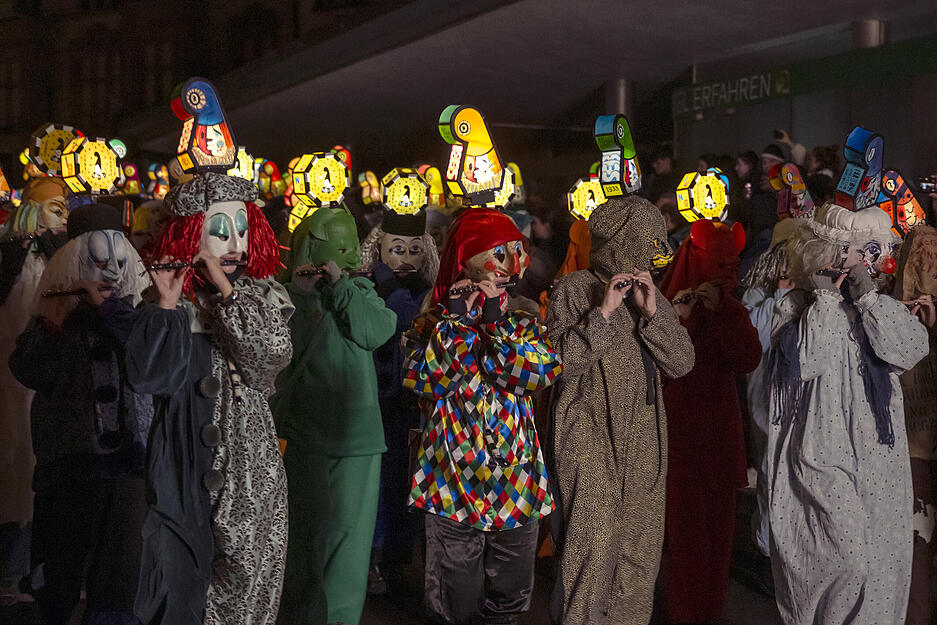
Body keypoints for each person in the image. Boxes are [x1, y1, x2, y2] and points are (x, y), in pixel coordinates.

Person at [128, 172, 292, 625]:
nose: (234, 242)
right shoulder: (164, 299)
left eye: (242, 228)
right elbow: (149, 379)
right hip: (183, 460)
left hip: (250, 459)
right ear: (191, 233)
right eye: (219, 232)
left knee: (247, 569)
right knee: (182, 574)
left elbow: (271, 359)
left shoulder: (259, 296)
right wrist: (165, 308)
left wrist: (227, 292)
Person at [767, 203, 928, 625]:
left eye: (872, 252)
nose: (864, 261)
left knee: (878, 564)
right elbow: (806, 361)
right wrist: (823, 299)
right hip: (821, 447)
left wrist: (870, 301)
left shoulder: (879, 305)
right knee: (842, 559)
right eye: (856, 250)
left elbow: (909, 350)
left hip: (878, 454)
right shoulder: (798, 307)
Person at [403, 207, 562, 625]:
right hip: (450, 480)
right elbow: (426, 382)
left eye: (517, 251)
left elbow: (535, 374)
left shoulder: (525, 315)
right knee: (456, 596)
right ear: (466, 259)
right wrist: (455, 324)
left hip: (516, 480)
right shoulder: (433, 321)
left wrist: (495, 326)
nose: (512, 264)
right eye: (499, 253)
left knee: (510, 597)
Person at [546, 195, 694, 625]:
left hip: (645, 435)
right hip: (587, 428)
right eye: (646, 246)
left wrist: (654, 313)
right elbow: (559, 363)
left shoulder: (649, 295)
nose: (655, 258)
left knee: (639, 552)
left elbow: (682, 363)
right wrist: (604, 314)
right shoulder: (575, 289)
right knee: (593, 545)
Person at [10, 202, 152, 625]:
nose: (107, 273)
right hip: (69, 464)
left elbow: (150, 359)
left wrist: (111, 310)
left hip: (127, 465)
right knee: (61, 566)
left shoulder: (138, 310)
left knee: (118, 572)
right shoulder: (55, 315)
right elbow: (28, 370)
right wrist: (54, 324)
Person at [271, 204, 396, 625]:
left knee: (350, 544)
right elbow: (283, 351)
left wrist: (342, 288)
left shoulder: (362, 293)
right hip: (306, 435)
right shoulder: (285, 296)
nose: (340, 256)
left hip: (359, 440)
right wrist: (303, 299)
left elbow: (373, 332)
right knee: (305, 540)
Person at [659, 218, 762, 624]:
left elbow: (747, 358)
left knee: (719, 541)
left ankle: (709, 614)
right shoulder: (667, 304)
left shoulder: (731, 309)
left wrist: (722, 315)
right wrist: (679, 318)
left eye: (731, 263)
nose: (727, 272)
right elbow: (662, 366)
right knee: (688, 543)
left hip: (719, 439)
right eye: (720, 263)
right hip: (680, 439)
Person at [359, 205, 439, 595]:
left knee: (405, 486)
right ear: (378, 250)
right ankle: (374, 558)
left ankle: (398, 558)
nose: (404, 259)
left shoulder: (428, 293)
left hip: (412, 407)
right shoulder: (369, 288)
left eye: (413, 249)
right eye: (395, 249)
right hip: (375, 403)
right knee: (376, 487)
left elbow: (415, 320)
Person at [891, 224, 937, 625]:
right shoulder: (898, 316)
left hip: (912, 445)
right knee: (917, 538)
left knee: (917, 538)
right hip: (913, 446)